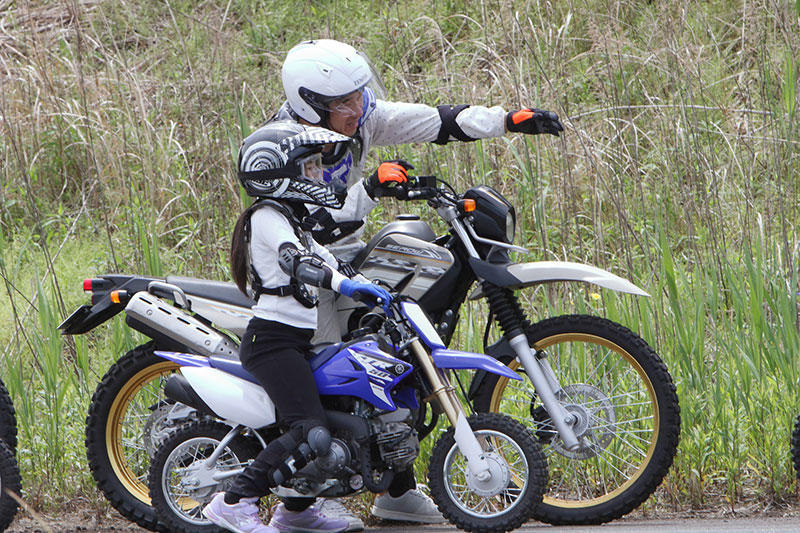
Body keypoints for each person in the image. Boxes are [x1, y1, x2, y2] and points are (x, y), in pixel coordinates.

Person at [270, 38, 564, 527]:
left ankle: (397, 491)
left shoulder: (362, 119)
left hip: (350, 260)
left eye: (360, 95)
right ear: (310, 103)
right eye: (344, 101)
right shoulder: (282, 144)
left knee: (401, 356)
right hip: (304, 272)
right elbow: (311, 225)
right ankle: (298, 505)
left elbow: (441, 120)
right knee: (330, 380)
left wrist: (509, 120)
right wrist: (370, 189)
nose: (358, 108)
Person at [202, 121, 393, 533]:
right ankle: (235, 500)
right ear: (277, 172)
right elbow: (298, 264)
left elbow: (328, 260)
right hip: (271, 342)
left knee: (333, 419)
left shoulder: (294, 219)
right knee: (311, 432)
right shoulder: (268, 217)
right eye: (308, 168)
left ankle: (296, 512)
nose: (317, 175)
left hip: (296, 341)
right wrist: (343, 283)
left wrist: (371, 288)